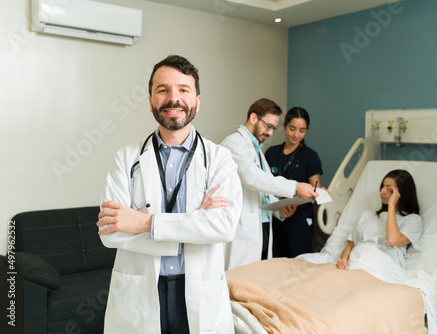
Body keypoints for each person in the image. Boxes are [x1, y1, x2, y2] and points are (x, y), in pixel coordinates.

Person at [96, 55, 242, 334]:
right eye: (163, 90)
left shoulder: (219, 159)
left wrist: (144, 223)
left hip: (198, 287)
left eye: (183, 90)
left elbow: (223, 227)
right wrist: (196, 220)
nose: (173, 98)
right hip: (140, 290)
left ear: (198, 100)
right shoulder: (127, 158)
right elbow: (110, 232)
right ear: (150, 100)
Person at [221, 98, 317, 270]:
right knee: (239, 279)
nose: (271, 133)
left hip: (261, 227)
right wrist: (295, 187)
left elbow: (264, 189)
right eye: (268, 126)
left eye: (273, 128)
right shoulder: (234, 144)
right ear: (253, 118)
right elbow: (254, 179)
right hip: (244, 226)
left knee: (256, 277)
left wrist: (279, 209)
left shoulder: (256, 148)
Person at [336, 169, 422, 282]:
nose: (381, 192)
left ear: (401, 192)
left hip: (383, 268)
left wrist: (391, 206)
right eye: (382, 186)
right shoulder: (368, 215)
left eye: (388, 188)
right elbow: (350, 246)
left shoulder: (412, 220)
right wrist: (343, 259)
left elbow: (392, 240)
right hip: (356, 262)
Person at [264, 107, 323, 258]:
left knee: (298, 264)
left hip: (299, 219)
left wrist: (322, 193)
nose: (296, 135)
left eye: (302, 130)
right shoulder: (271, 153)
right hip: (275, 216)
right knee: (274, 262)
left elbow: (316, 189)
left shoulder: (311, 157)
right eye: (292, 129)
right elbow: (264, 184)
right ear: (284, 126)